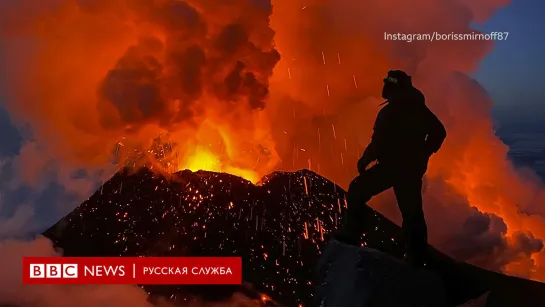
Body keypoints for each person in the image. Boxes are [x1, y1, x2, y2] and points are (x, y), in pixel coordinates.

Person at [337, 70, 447, 267]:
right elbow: (439, 132)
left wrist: (364, 160)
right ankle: (416, 257)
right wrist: (424, 153)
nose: (384, 87)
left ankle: (351, 237)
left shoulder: (391, 111)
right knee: (412, 212)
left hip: (392, 167)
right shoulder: (420, 109)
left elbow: (379, 141)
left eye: (387, 84)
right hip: (411, 169)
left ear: (393, 86)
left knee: (356, 190)